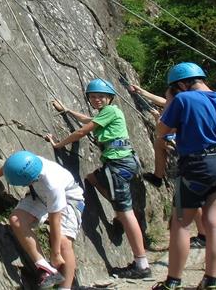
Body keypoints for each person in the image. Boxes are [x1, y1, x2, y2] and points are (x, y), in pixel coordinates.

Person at [152, 62, 216, 290]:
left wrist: (170, 107)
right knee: (215, 225)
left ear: (181, 84)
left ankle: (173, 282)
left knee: (181, 224)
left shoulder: (182, 99)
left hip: (195, 166)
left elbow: (161, 131)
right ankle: (210, 281)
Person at [48, 79, 151, 279]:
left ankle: (142, 265)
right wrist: (66, 110)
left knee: (125, 212)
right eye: (93, 97)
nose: (96, 100)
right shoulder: (107, 113)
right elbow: (88, 120)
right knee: (92, 178)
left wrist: (58, 144)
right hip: (121, 163)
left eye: (100, 97)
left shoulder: (111, 111)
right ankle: (121, 213)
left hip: (118, 164)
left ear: (109, 98)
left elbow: (83, 131)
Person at [0, 151, 84, 290]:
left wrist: (55, 254)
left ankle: (65, 288)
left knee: (63, 242)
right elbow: (9, 166)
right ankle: (45, 268)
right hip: (40, 194)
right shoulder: (26, 161)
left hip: (68, 198)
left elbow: (55, 222)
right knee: (16, 220)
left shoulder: (53, 185)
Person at [130, 84, 209, 249]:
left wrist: (158, 119)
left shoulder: (179, 110)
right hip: (202, 160)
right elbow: (165, 102)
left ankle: (198, 236)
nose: (166, 101)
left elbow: (163, 131)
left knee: (187, 202)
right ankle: (202, 235)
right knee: (195, 201)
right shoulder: (186, 105)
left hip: (184, 158)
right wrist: (143, 92)